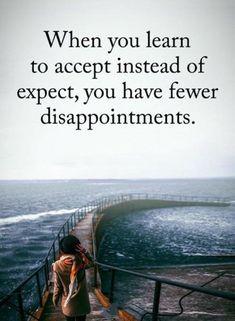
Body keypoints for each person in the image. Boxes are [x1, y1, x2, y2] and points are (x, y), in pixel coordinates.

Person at [52, 235, 93, 321]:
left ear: (62, 250)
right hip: (82, 302)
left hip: (68, 302)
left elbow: (57, 286)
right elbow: (92, 263)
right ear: (77, 248)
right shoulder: (81, 261)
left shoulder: (57, 265)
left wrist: (55, 300)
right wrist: (85, 252)